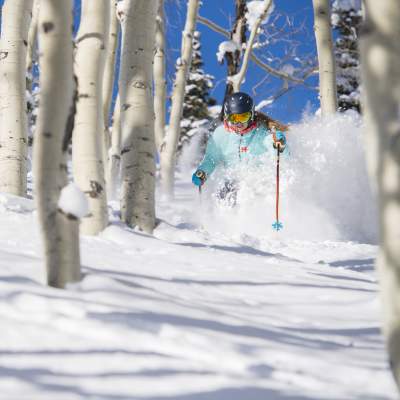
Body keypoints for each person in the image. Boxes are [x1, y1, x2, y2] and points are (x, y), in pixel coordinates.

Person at [192, 92, 288, 204]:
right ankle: (222, 220)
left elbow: (282, 157)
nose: (238, 123)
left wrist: (280, 146)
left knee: (252, 195)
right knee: (225, 195)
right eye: (233, 118)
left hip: (259, 182)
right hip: (232, 182)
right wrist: (203, 171)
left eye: (243, 117)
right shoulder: (220, 134)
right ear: (227, 117)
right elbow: (211, 158)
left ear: (251, 114)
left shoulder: (263, 132)